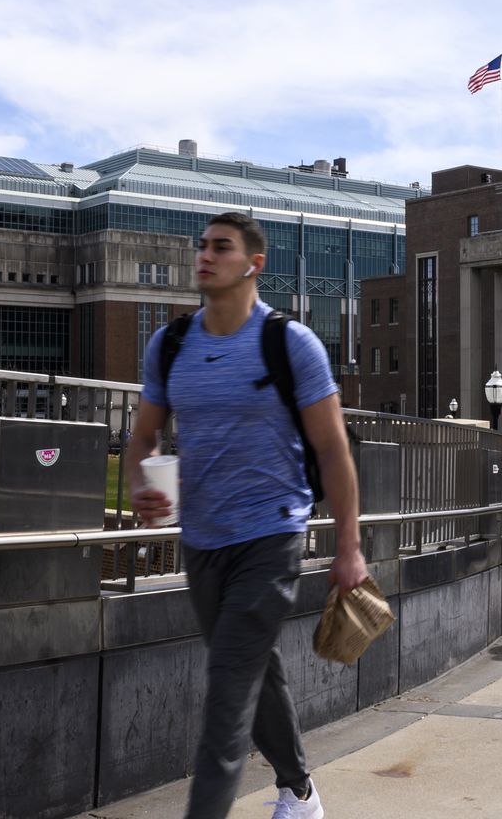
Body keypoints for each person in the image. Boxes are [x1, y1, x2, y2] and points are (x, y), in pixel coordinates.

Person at [129, 212, 364, 819]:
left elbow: (334, 449)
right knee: (255, 674)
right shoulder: (171, 344)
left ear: (252, 264)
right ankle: (300, 791)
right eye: (202, 245)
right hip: (203, 543)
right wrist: (142, 482)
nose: (205, 255)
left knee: (227, 695)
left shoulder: (290, 343)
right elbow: (144, 437)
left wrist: (348, 547)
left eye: (221, 247)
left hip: (273, 537)